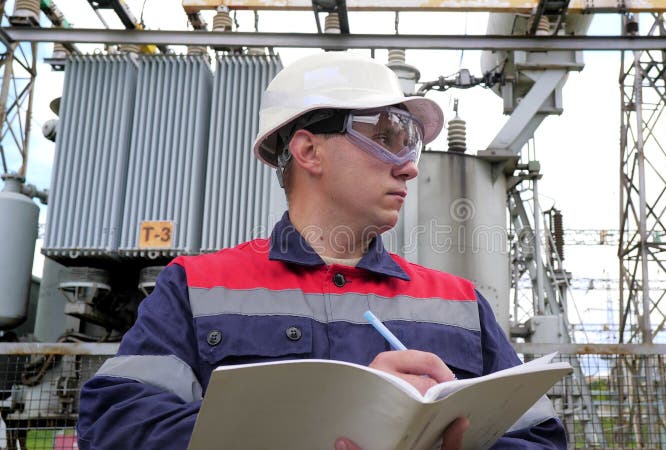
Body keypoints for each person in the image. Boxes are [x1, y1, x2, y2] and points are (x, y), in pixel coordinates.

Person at [77, 52, 567, 449]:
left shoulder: (459, 302)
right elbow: (116, 425)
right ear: (310, 151)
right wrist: (327, 423)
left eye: (410, 144)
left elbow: (540, 438)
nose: (409, 168)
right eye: (386, 137)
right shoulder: (195, 286)